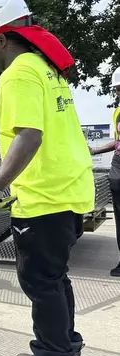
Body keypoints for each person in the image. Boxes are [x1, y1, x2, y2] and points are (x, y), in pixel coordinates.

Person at [0, 1, 95, 356]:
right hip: (69, 190)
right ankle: (63, 355)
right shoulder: (45, 69)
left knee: (40, 282)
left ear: (1, 39)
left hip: (44, 196)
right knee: (55, 280)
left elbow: (28, 136)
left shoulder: (17, 74)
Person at [90, 65, 120, 277]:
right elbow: (117, 142)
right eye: (117, 89)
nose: (118, 92)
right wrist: (95, 150)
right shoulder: (117, 112)